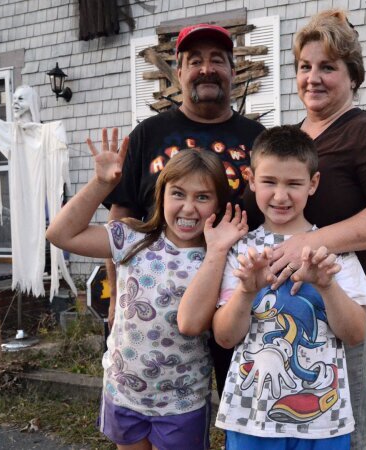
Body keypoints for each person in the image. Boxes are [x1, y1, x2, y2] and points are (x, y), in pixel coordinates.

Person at [240, 10, 366, 449]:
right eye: (305, 66)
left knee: (343, 431)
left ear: (353, 75)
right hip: (280, 313)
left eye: (328, 67)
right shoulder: (291, 139)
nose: (313, 78)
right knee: (287, 425)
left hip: (343, 312)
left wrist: (312, 241)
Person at [46, 129, 248, 450]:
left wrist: (217, 251)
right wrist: (101, 184)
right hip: (123, 392)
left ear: (218, 203)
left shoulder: (220, 258)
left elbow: (196, 324)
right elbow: (60, 234)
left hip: (181, 402)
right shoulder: (132, 238)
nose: (188, 208)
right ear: (161, 195)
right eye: (178, 193)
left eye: (202, 197)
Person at [106, 23, 266, 400]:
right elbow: (120, 213)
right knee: (165, 398)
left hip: (236, 299)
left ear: (233, 71)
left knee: (242, 400)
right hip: (157, 305)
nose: (206, 69)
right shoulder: (147, 134)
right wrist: (113, 296)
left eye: (217, 60)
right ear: (179, 73)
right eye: (195, 61)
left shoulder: (257, 139)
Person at [212, 125, 366, 449]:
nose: (280, 196)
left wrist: (327, 286)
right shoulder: (240, 251)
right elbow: (225, 337)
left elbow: (355, 334)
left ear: (312, 184)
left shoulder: (334, 251)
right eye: (269, 182)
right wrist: (246, 292)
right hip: (250, 419)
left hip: (324, 421)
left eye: (293, 184)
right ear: (251, 179)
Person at [0, 86, 75, 299]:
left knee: (44, 230)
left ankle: (43, 276)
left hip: (41, 193)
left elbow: (58, 140)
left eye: (21, 98)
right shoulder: (11, 133)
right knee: (23, 230)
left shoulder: (47, 132)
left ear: (32, 102)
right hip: (21, 195)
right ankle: (27, 278)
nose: (15, 102)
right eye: (13, 98)